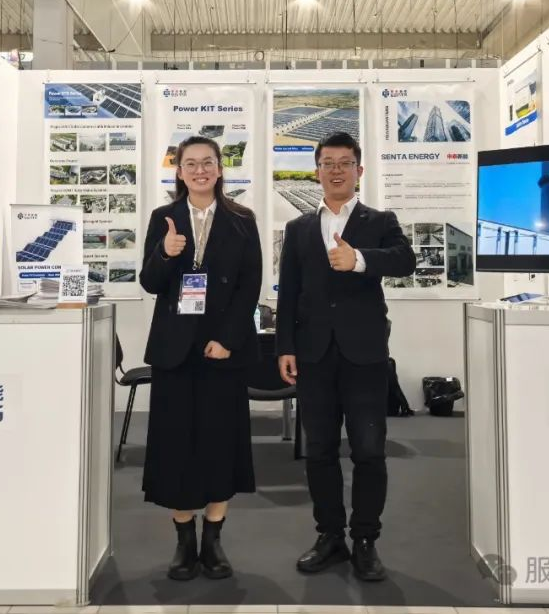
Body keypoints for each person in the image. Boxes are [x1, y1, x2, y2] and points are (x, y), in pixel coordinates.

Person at [275, 132, 416, 582]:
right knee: (319, 451)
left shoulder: (380, 220)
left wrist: (359, 259)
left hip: (364, 354)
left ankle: (366, 540)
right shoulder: (298, 229)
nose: (336, 171)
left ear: (359, 170)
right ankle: (330, 536)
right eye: (328, 163)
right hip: (313, 355)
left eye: (345, 163)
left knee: (369, 451)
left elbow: (405, 260)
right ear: (317, 171)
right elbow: (289, 292)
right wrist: (285, 346)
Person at [139, 135, 262, 581]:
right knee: (175, 444)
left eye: (207, 162)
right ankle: (183, 540)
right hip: (175, 349)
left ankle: (213, 539)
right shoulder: (164, 218)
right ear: (179, 171)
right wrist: (165, 253)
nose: (199, 170)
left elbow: (250, 285)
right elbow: (150, 282)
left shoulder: (242, 220)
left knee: (219, 442)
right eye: (190, 164)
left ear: (220, 168)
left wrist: (229, 338)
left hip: (221, 349)